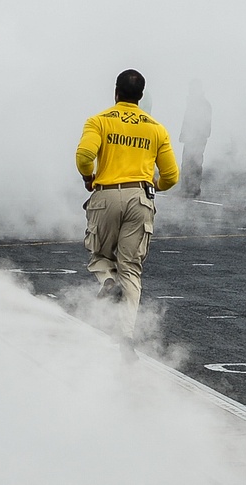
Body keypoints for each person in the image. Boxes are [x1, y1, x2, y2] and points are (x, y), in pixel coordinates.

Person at [75, 69, 180, 362]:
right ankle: (127, 337)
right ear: (141, 97)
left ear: (116, 92)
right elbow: (172, 176)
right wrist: (154, 185)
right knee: (131, 268)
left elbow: (84, 155)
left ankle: (108, 282)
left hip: (106, 194)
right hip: (141, 197)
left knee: (98, 255)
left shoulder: (99, 121)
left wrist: (88, 177)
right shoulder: (156, 128)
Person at [179, 79, 212, 198]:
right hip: (190, 138)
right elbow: (187, 121)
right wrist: (184, 135)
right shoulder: (193, 103)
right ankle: (186, 189)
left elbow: (205, 124)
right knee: (187, 163)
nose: (190, 90)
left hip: (197, 139)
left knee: (195, 163)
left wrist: (197, 137)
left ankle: (193, 189)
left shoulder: (203, 104)